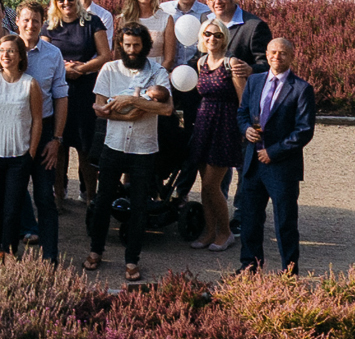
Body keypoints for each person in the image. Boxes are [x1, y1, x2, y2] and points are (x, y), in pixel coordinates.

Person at [86, 21, 173, 282]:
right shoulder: (109, 69)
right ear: (120, 46)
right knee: (102, 202)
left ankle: (132, 260)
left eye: (137, 45)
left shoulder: (158, 72)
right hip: (113, 144)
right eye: (127, 45)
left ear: (145, 46)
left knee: (139, 207)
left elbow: (167, 109)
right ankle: (95, 251)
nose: (132, 50)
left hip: (144, 149)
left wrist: (130, 102)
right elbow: (98, 107)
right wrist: (132, 114)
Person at [237, 34, 316, 275]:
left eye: (282, 53)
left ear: (292, 56)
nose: (276, 56)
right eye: (272, 52)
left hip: (282, 167)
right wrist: (246, 129)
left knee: (285, 223)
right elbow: (242, 113)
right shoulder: (254, 81)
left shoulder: (302, 89)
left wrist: (274, 152)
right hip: (252, 164)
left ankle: (289, 273)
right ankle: (249, 267)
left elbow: (304, 131)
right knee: (250, 220)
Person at [181, 18, 250, 252]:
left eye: (218, 35)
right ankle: (209, 231)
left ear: (225, 38)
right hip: (204, 123)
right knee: (204, 185)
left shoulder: (232, 64)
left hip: (225, 125)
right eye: (208, 34)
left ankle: (225, 232)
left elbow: (243, 101)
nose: (212, 38)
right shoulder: (201, 62)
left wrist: (242, 129)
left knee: (213, 185)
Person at [0, 33, 42, 257]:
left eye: (11, 51)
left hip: (18, 156)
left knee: (12, 209)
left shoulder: (30, 84)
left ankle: (10, 250)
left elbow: (37, 120)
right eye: (2, 51)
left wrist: (30, 152)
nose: (6, 55)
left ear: (21, 56)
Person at [44, 0, 110, 206]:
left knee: (85, 147)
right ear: (54, 2)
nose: (66, 2)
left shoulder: (93, 22)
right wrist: (64, 69)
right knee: (59, 145)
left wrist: (80, 69)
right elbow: (43, 56)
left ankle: (91, 197)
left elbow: (105, 55)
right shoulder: (49, 26)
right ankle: (59, 195)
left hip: (85, 91)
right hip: (59, 92)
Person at [14, 0, 70, 263]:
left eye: (35, 20)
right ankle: (9, 251)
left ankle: (50, 255)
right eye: (25, 20)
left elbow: (60, 96)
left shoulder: (53, 54)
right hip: (13, 130)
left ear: (42, 23)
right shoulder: (6, 50)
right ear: (17, 22)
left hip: (45, 129)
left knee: (45, 196)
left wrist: (57, 139)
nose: (30, 25)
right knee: (12, 193)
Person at [207, 0, 275, 72]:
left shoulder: (254, 27)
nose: (217, 2)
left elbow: (267, 63)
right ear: (207, 2)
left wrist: (250, 69)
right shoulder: (205, 21)